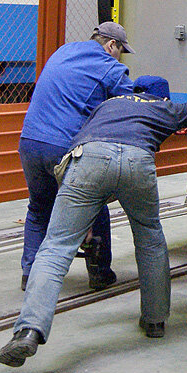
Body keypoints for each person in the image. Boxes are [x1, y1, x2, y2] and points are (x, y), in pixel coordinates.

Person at [0, 83, 187, 367]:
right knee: (150, 239)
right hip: (137, 160)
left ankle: (29, 330)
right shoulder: (162, 106)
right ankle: (155, 320)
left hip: (88, 158)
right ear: (160, 96)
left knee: (55, 248)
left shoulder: (106, 105)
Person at [17, 22, 140, 292]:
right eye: (121, 51)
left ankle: (30, 273)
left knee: (39, 208)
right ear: (111, 45)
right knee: (95, 203)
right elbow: (129, 106)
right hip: (64, 148)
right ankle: (99, 273)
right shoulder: (111, 67)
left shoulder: (62, 52)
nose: (120, 57)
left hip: (30, 141)